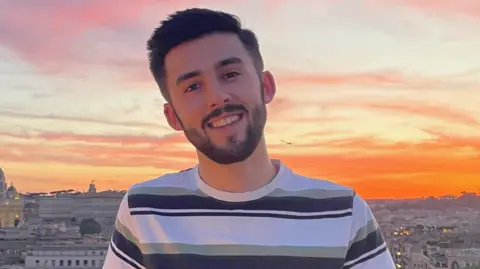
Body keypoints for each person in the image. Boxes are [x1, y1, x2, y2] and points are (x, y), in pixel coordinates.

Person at [103, 8, 396, 269]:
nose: (217, 97)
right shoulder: (142, 211)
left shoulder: (344, 212)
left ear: (265, 86)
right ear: (173, 117)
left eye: (230, 74)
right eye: (193, 87)